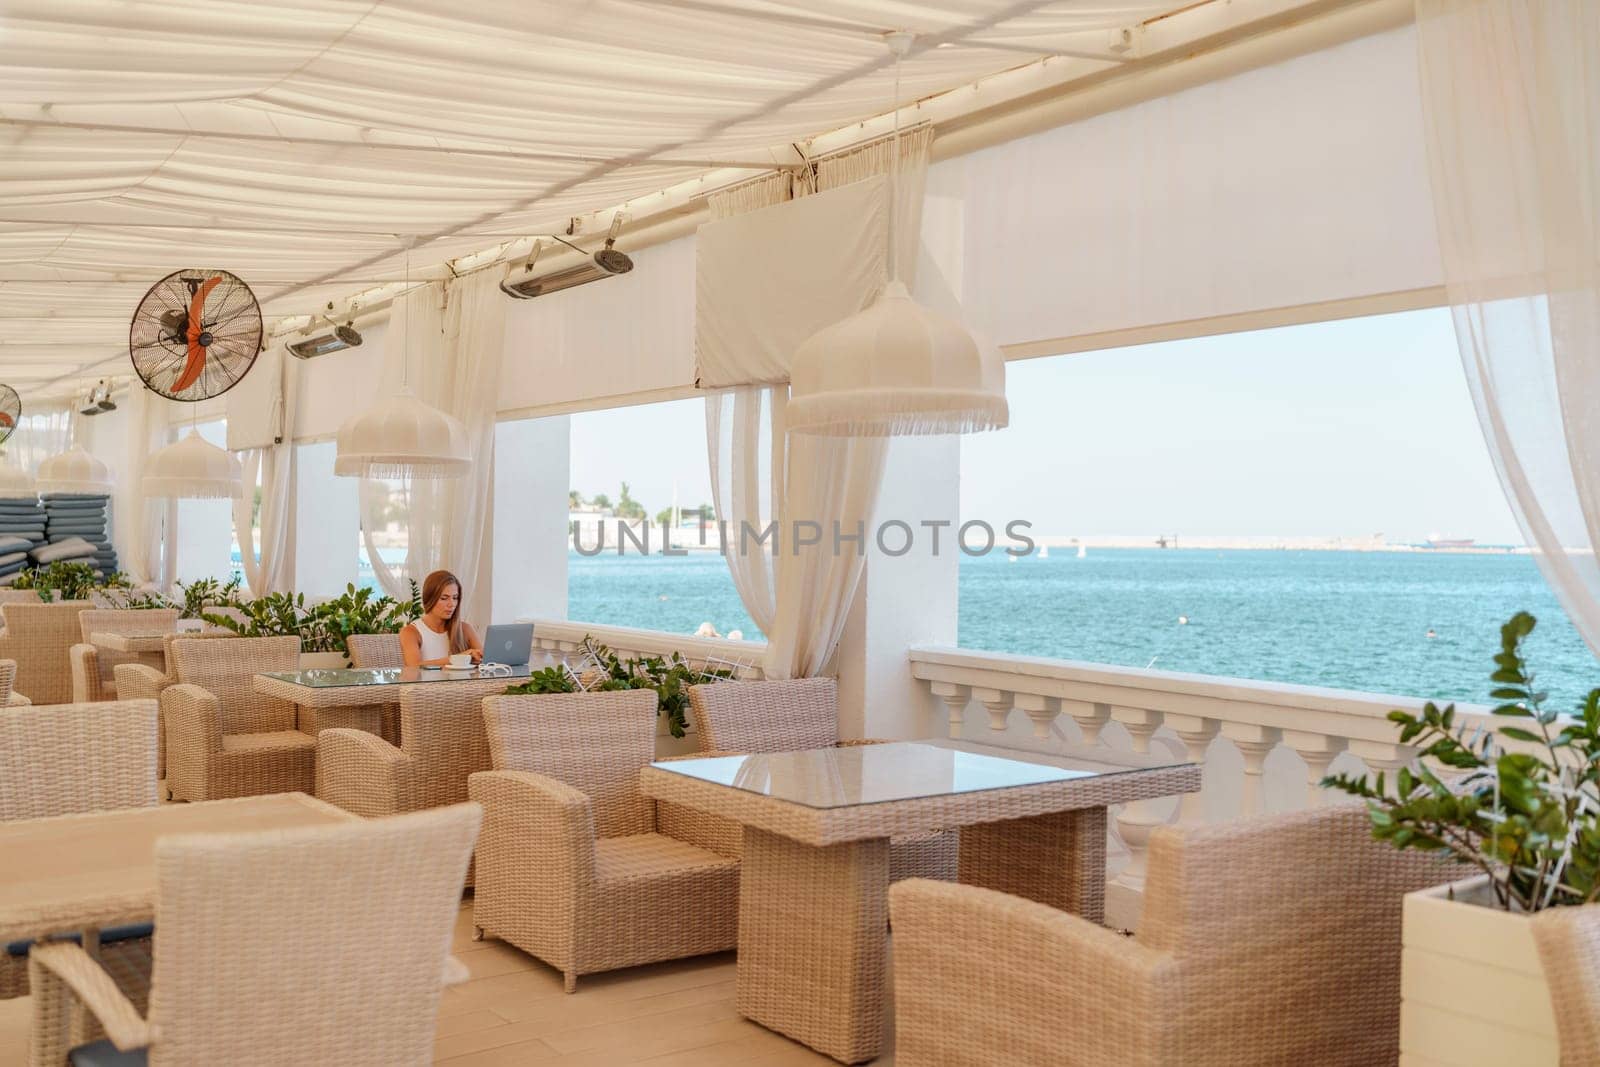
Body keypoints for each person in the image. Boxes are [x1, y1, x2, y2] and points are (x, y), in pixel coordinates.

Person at [401, 569, 484, 667]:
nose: (451, 604)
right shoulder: (411, 632)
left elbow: (486, 661)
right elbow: (414, 666)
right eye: (444, 598)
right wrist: (459, 658)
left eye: (455, 598)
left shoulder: (465, 629)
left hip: (462, 683)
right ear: (430, 598)